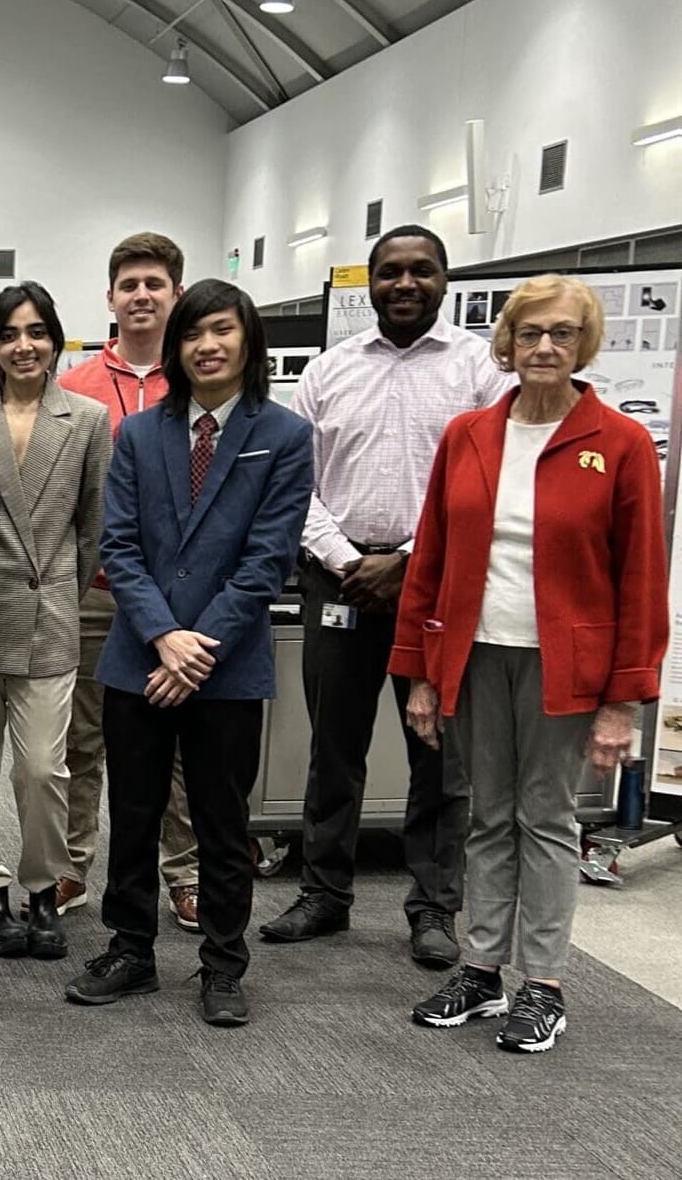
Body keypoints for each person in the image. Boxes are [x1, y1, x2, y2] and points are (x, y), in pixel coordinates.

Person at [397, 275, 665, 1054]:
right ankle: (480, 969)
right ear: (505, 342)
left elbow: (640, 580)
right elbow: (433, 558)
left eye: (561, 334)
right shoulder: (468, 434)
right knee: (484, 812)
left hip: (567, 666)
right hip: (475, 654)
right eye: (530, 333)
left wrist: (624, 701)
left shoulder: (616, 442)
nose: (544, 347)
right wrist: (420, 669)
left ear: (583, 345)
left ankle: (540, 983)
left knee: (543, 819)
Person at [260, 225, 509, 966]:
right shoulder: (327, 369)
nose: (405, 283)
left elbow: (488, 485)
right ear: (368, 283)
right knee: (331, 744)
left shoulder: (478, 372)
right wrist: (344, 559)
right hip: (335, 580)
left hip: (436, 583)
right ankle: (324, 893)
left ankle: (433, 907)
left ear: (443, 280)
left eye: (420, 271)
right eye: (390, 272)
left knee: (436, 751)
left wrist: (405, 560)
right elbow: (291, 482)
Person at [66, 280, 311, 1028]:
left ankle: (222, 962)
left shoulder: (284, 434)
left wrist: (195, 646)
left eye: (222, 331)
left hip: (226, 664)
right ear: (176, 346)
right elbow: (120, 546)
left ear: (246, 342)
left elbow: (266, 560)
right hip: (139, 655)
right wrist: (161, 636)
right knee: (134, 813)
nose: (207, 345)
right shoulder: (138, 433)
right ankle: (130, 948)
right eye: (194, 332)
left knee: (219, 820)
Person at [0, 282, 109, 960]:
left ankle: (42, 888)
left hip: (50, 619)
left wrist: (64, 591)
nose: (24, 345)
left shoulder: (88, 418)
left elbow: (95, 528)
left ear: (55, 339)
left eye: (37, 331)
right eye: (10, 333)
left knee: (44, 769)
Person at [57, 233, 203, 932]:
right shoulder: (74, 386)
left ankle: (184, 873)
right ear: (110, 297)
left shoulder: (202, 380)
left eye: (154, 283)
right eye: (128, 284)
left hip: (179, 597)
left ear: (175, 293)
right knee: (79, 738)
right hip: (95, 591)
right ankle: (69, 863)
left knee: (175, 743)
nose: (140, 295)